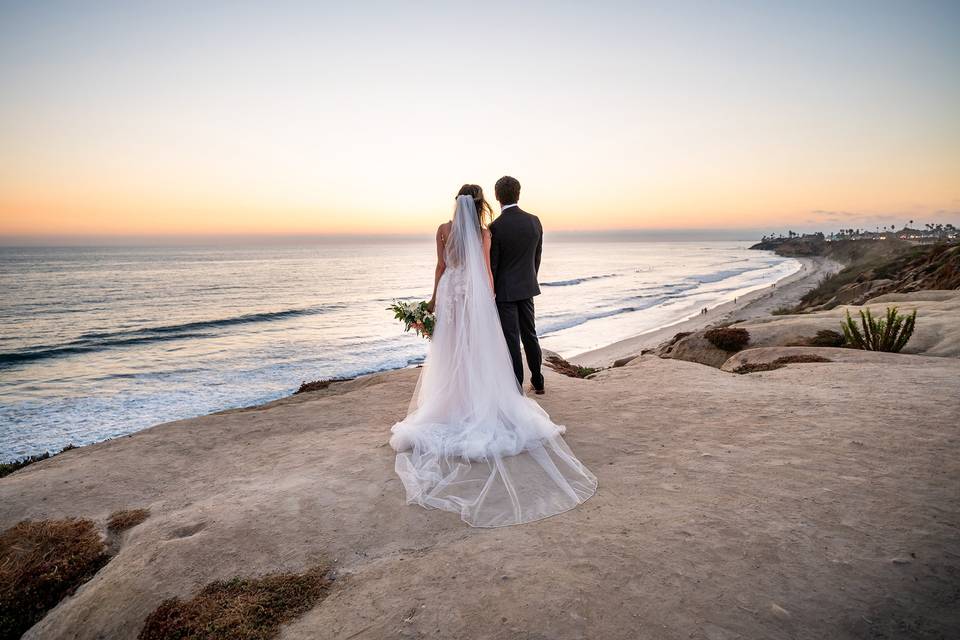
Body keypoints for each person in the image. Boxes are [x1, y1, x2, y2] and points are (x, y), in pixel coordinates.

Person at [389, 184, 596, 527]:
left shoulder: (443, 230)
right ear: (481, 203)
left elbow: (441, 267)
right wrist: (489, 299)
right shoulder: (486, 233)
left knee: (451, 349)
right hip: (474, 294)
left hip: (451, 293)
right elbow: (486, 273)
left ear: (457, 203)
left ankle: (450, 403)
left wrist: (432, 300)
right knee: (479, 349)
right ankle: (492, 396)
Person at [489, 176, 545, 394]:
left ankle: (516, 388)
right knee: (530, 334)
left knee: (511, 339)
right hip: (527, 286)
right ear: (518, 194)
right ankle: (538, 382)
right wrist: (529, 279)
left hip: (504, 292)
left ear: (497, 197)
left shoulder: (496, 227)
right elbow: (537, 257)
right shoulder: (534, 221)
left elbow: (493, 265)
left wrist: (491, 292)